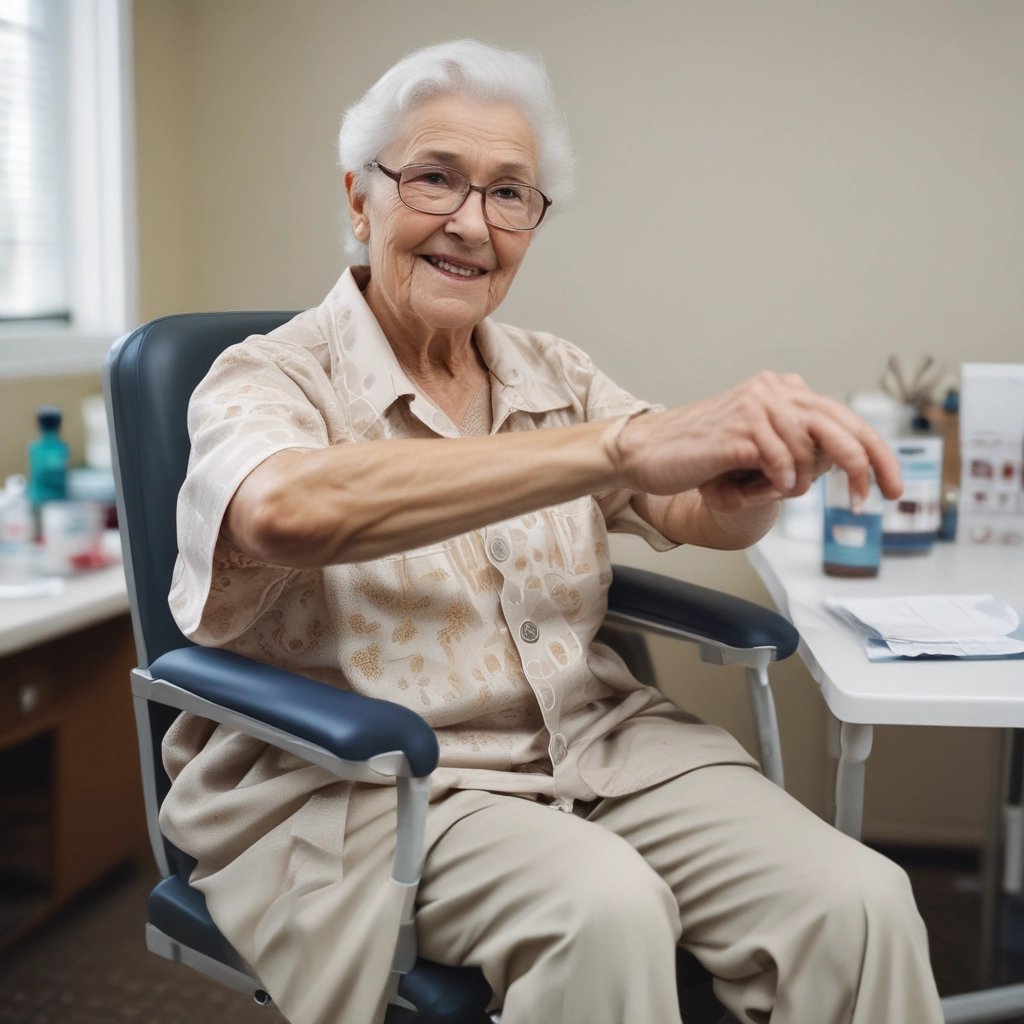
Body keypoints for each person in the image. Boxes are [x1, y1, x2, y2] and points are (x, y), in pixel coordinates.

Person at [161, 38, 944, 1024]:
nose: (471, 223)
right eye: (435, 179)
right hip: (366, 776)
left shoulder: (552, 371)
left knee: (862, 901)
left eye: (509, 194)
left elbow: (686, 506)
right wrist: (616, 448)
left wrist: (755, 474)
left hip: (594, 743)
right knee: (604, 910)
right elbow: (283, 508)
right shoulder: (267, 375)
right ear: (361, 200)